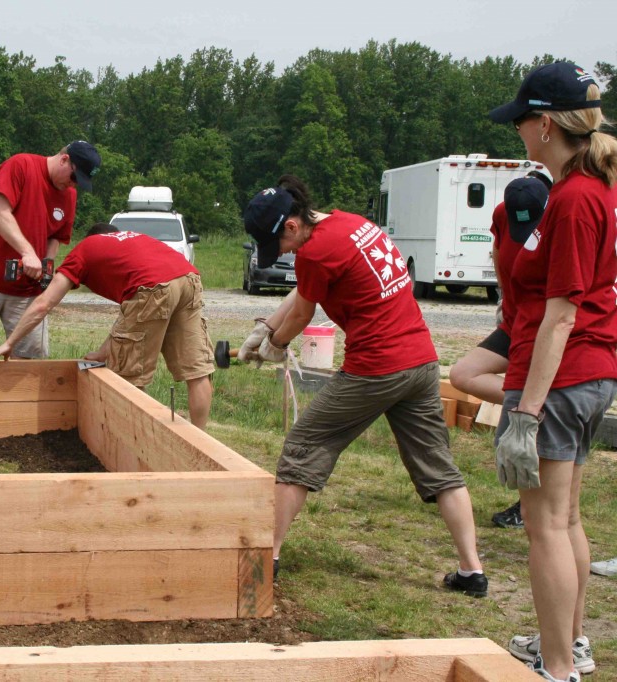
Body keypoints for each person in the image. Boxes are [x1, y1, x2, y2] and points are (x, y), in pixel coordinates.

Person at [240, 176, 487, 597]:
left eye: (277, 244)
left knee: (303, 447)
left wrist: (276, 346)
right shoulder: (351, 223)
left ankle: (269, 555)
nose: (280, 253)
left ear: (292, 226)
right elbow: (304, 294)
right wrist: (266, 329)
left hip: (376, 368)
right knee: (438, 467)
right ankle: (471, 571)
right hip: (421, 363)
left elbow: (302, 314)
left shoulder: (313, 253)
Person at [488, 61, 617, 682]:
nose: (517, 131)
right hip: (590, 372)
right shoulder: (596, 187)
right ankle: (569, 645)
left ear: (545, 125)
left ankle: (558, 666)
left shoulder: (572, 199)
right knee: (565, 519)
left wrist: (526, 414)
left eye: (521, 121)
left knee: (544, 529)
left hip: (561, 378)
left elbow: (561, 315)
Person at [0, 223, 214, 428]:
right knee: (197, 370)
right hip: (188, 278)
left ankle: (140, 446)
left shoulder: (85, 249)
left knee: (128, 378)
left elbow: (44, 303)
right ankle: (201, 442)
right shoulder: (135, 241)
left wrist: (10, 342)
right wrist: (103, 353)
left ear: (90, 237)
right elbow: (131, 317)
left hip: (152, 287)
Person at [449, 172, 552, 530]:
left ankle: (528, 506)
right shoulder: (502, 214)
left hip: (544, 327)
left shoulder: (561, 219)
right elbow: (498, 253)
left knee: (514, 432)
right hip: (514, 322)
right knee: (463, 374)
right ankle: (541, 403)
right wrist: (505, 299)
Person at [0, 141, 101, 360]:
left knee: (30, 358)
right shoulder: (21, 166)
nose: (73, 185)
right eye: (74, 177)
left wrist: (46, 264)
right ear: (64, 160)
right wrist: (28, 253)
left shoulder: (69, 195)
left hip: (27, 289)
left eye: (79, 183)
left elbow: (57, 236)